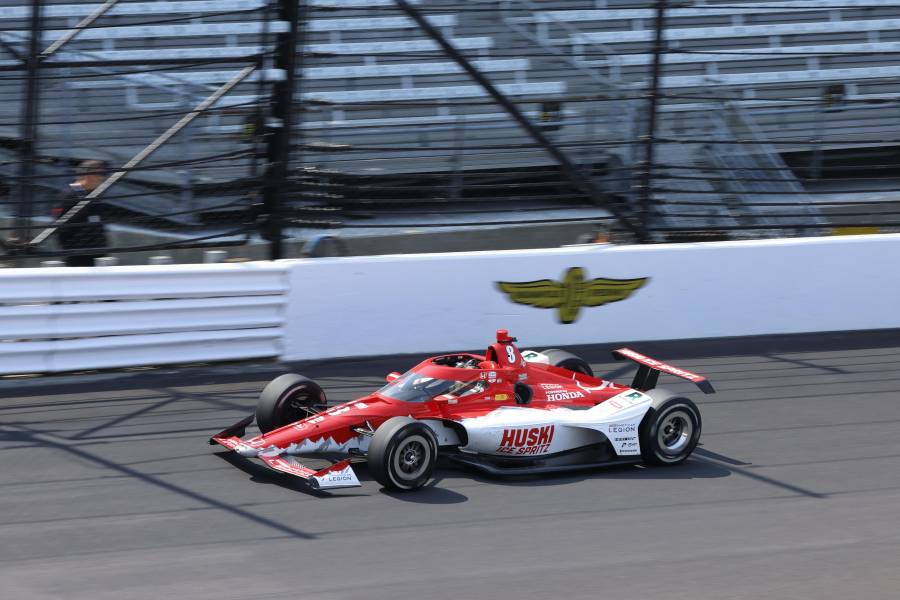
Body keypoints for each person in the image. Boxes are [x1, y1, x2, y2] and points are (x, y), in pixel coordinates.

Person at [53, 160, 109, 266]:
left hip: (97, 254)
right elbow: (60, 228)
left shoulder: (94, 196)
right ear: (88, 175)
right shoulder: (68, 196)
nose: (102, 178)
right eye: (100, 174)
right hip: (78, 256)